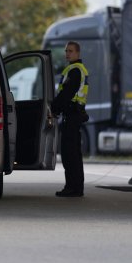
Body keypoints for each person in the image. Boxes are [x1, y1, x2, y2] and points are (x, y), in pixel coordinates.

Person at [50, 41, 89, 197]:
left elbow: (66, 94)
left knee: (69, 154)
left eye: (71, 51)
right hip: (74, 115)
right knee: (74, 154)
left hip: (72, 115)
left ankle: (72, 188)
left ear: (78, 53)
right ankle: (76, 187)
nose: (67, 53)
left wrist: (54, 108)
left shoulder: (75, 71)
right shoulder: (74, 69)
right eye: (66, 51)